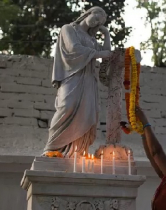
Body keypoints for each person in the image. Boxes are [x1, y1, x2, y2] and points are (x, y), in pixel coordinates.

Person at [43, 6, 112, 157]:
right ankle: (52, 147)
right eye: (96, 17)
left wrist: (106, 34)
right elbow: (74, 49)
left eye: (99, 22)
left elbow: (107, 54)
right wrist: (98, 53)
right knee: (66, 106)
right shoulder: (68, 29)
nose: (96, 22)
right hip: (72, 76)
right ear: (87, 13)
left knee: (88, 113)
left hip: (88, 79)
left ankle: (78, 151)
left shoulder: (92, 39)